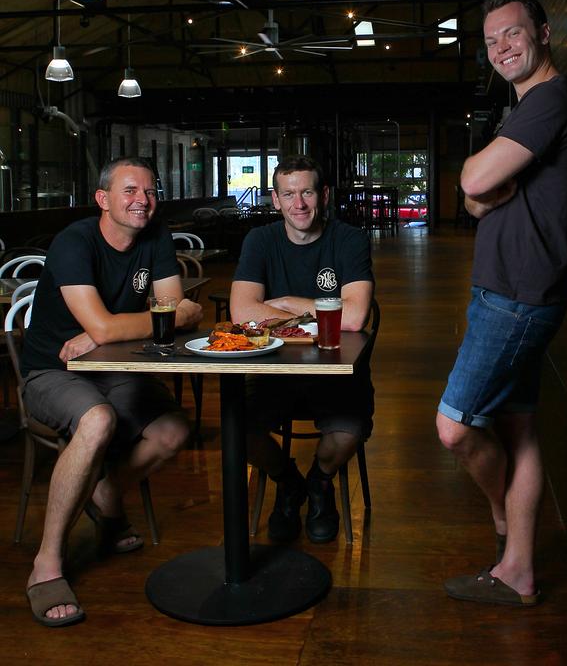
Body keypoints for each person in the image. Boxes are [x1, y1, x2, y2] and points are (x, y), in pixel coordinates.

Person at [436, 0, 567, 607]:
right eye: (492, 39)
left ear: (543, 34)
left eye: (513, 33)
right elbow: (474, 202)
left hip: (518, 298)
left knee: (454, 426)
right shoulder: (524, 107)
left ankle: (502, 513)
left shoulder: (548, 100)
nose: (502, 47)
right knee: (520, 432)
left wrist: (483, 183)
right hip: (507, 290)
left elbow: (472, 182)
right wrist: (483, 186)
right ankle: (519, 568)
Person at [21, 157, 203, 627]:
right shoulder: (74, 242)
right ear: (103, 200)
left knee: (172, 429)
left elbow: (183, 312)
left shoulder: (156, 236)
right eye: (129, 191)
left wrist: (110, 332)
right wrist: (113, 328)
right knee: (97, 419)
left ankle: (105, 497)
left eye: (149, 191)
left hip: (111, 366)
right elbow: (160, 315)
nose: (143, 200)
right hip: (51, 371)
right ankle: (46, 564)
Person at [230, 155, 374, 544]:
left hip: (337, 373)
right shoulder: (260, 241)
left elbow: (356, 316)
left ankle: (319, 482)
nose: (299, 204)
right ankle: (288, 481)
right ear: (275, 200)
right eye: (289, 194)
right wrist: (322, 312)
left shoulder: (348, 239)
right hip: (273, 372)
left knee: (348, 433)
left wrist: (289, 304)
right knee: (237, 430)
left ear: (323, 195)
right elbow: (242, 312)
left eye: (307, 192)